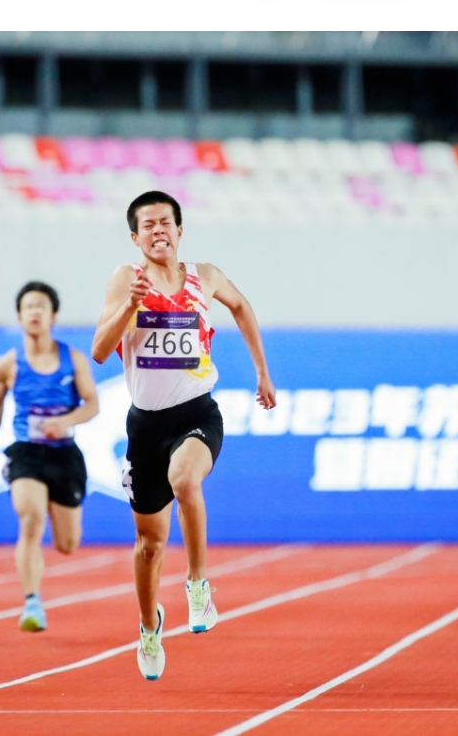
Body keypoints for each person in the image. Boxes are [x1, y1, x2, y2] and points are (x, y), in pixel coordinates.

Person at [91, 192, 276, 681]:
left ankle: (198, 585)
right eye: (148, 225)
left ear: (179, 230)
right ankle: (149, 625)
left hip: (197, 413)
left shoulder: (205, 276)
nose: (158, 231)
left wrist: (262, 371)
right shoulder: (125, 279)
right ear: (135, 237)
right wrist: (127, 308)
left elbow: (242, 306)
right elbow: (99, 351)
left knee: (186, 480)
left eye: (165, 222)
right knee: (148, 545)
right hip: (145, 426)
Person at [0, 282, 99, 631]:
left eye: (41, 307)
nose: (34, 312)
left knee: (67, 544)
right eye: (28, 307)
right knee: (31, 520)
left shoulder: (73, 359)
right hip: (27, 453)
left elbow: (92, 404)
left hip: (65, 456)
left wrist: (65, 421)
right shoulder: (6, 364)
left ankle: (54, 503)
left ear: (53, 316)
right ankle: (32, 602)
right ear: (20, 317)